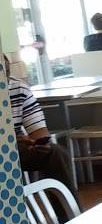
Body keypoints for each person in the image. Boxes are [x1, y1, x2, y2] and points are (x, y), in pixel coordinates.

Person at [3, 57, 75, 188]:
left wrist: (37, 142)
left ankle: (64, 201)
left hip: (16, 149)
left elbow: (39, 132)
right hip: (9, 146)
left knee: (55, 153)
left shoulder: (19, 89)